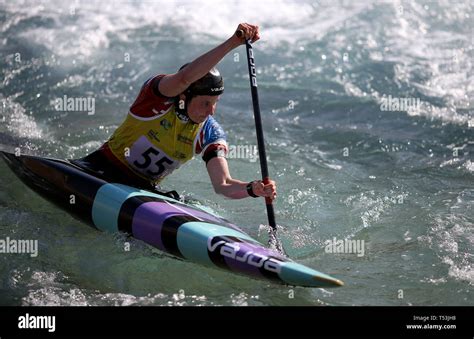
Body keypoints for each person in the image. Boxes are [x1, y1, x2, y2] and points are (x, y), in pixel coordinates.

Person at [73, 23, 276, 200]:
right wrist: (233, 42)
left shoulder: (210, 132)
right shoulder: (155, 101)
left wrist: (253, 189)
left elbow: (223, 185)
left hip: (143, 190)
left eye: (216, 103)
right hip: (99, 169)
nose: (211, 111)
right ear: (183, 96)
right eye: (205, 103)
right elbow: (184, 79)